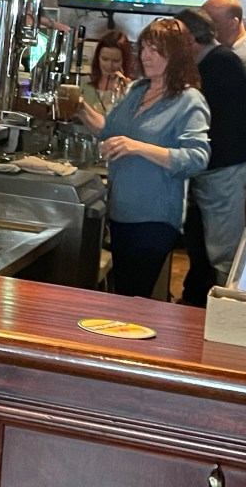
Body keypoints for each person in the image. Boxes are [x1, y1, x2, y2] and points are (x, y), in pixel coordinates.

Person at [77, 18, 210, 298]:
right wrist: (78, 107)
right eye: (145, 48)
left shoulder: (188, 100)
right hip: (120, 211)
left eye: (156, 50)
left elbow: (197, 158)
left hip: (155, 218)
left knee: (132, 297)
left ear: (176, 55)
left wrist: (137, 147)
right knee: (123, 295)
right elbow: (108, 130)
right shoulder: (137, 90)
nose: (146, 56)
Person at [176, 8, 246, 302]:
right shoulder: (215, 59)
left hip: (224, 168)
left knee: (223, 252)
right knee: (205, 246)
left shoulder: (220, 62)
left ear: (190, 38)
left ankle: (230, 313)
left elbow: (222, 124)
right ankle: (201, 305)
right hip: (219, 166)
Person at [202, 0, 246, 153]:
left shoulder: (243, 59)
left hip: (239, 155)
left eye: (213, 22)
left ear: (233, 23)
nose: (207, 29)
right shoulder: (231, 52)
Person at [78, 30, 133, 115]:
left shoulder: (130, 88)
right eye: (104, 59)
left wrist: (126, 86)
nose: (109, 65)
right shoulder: (84, 82)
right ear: (97, 58)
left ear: (124, 61)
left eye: (115, 61)